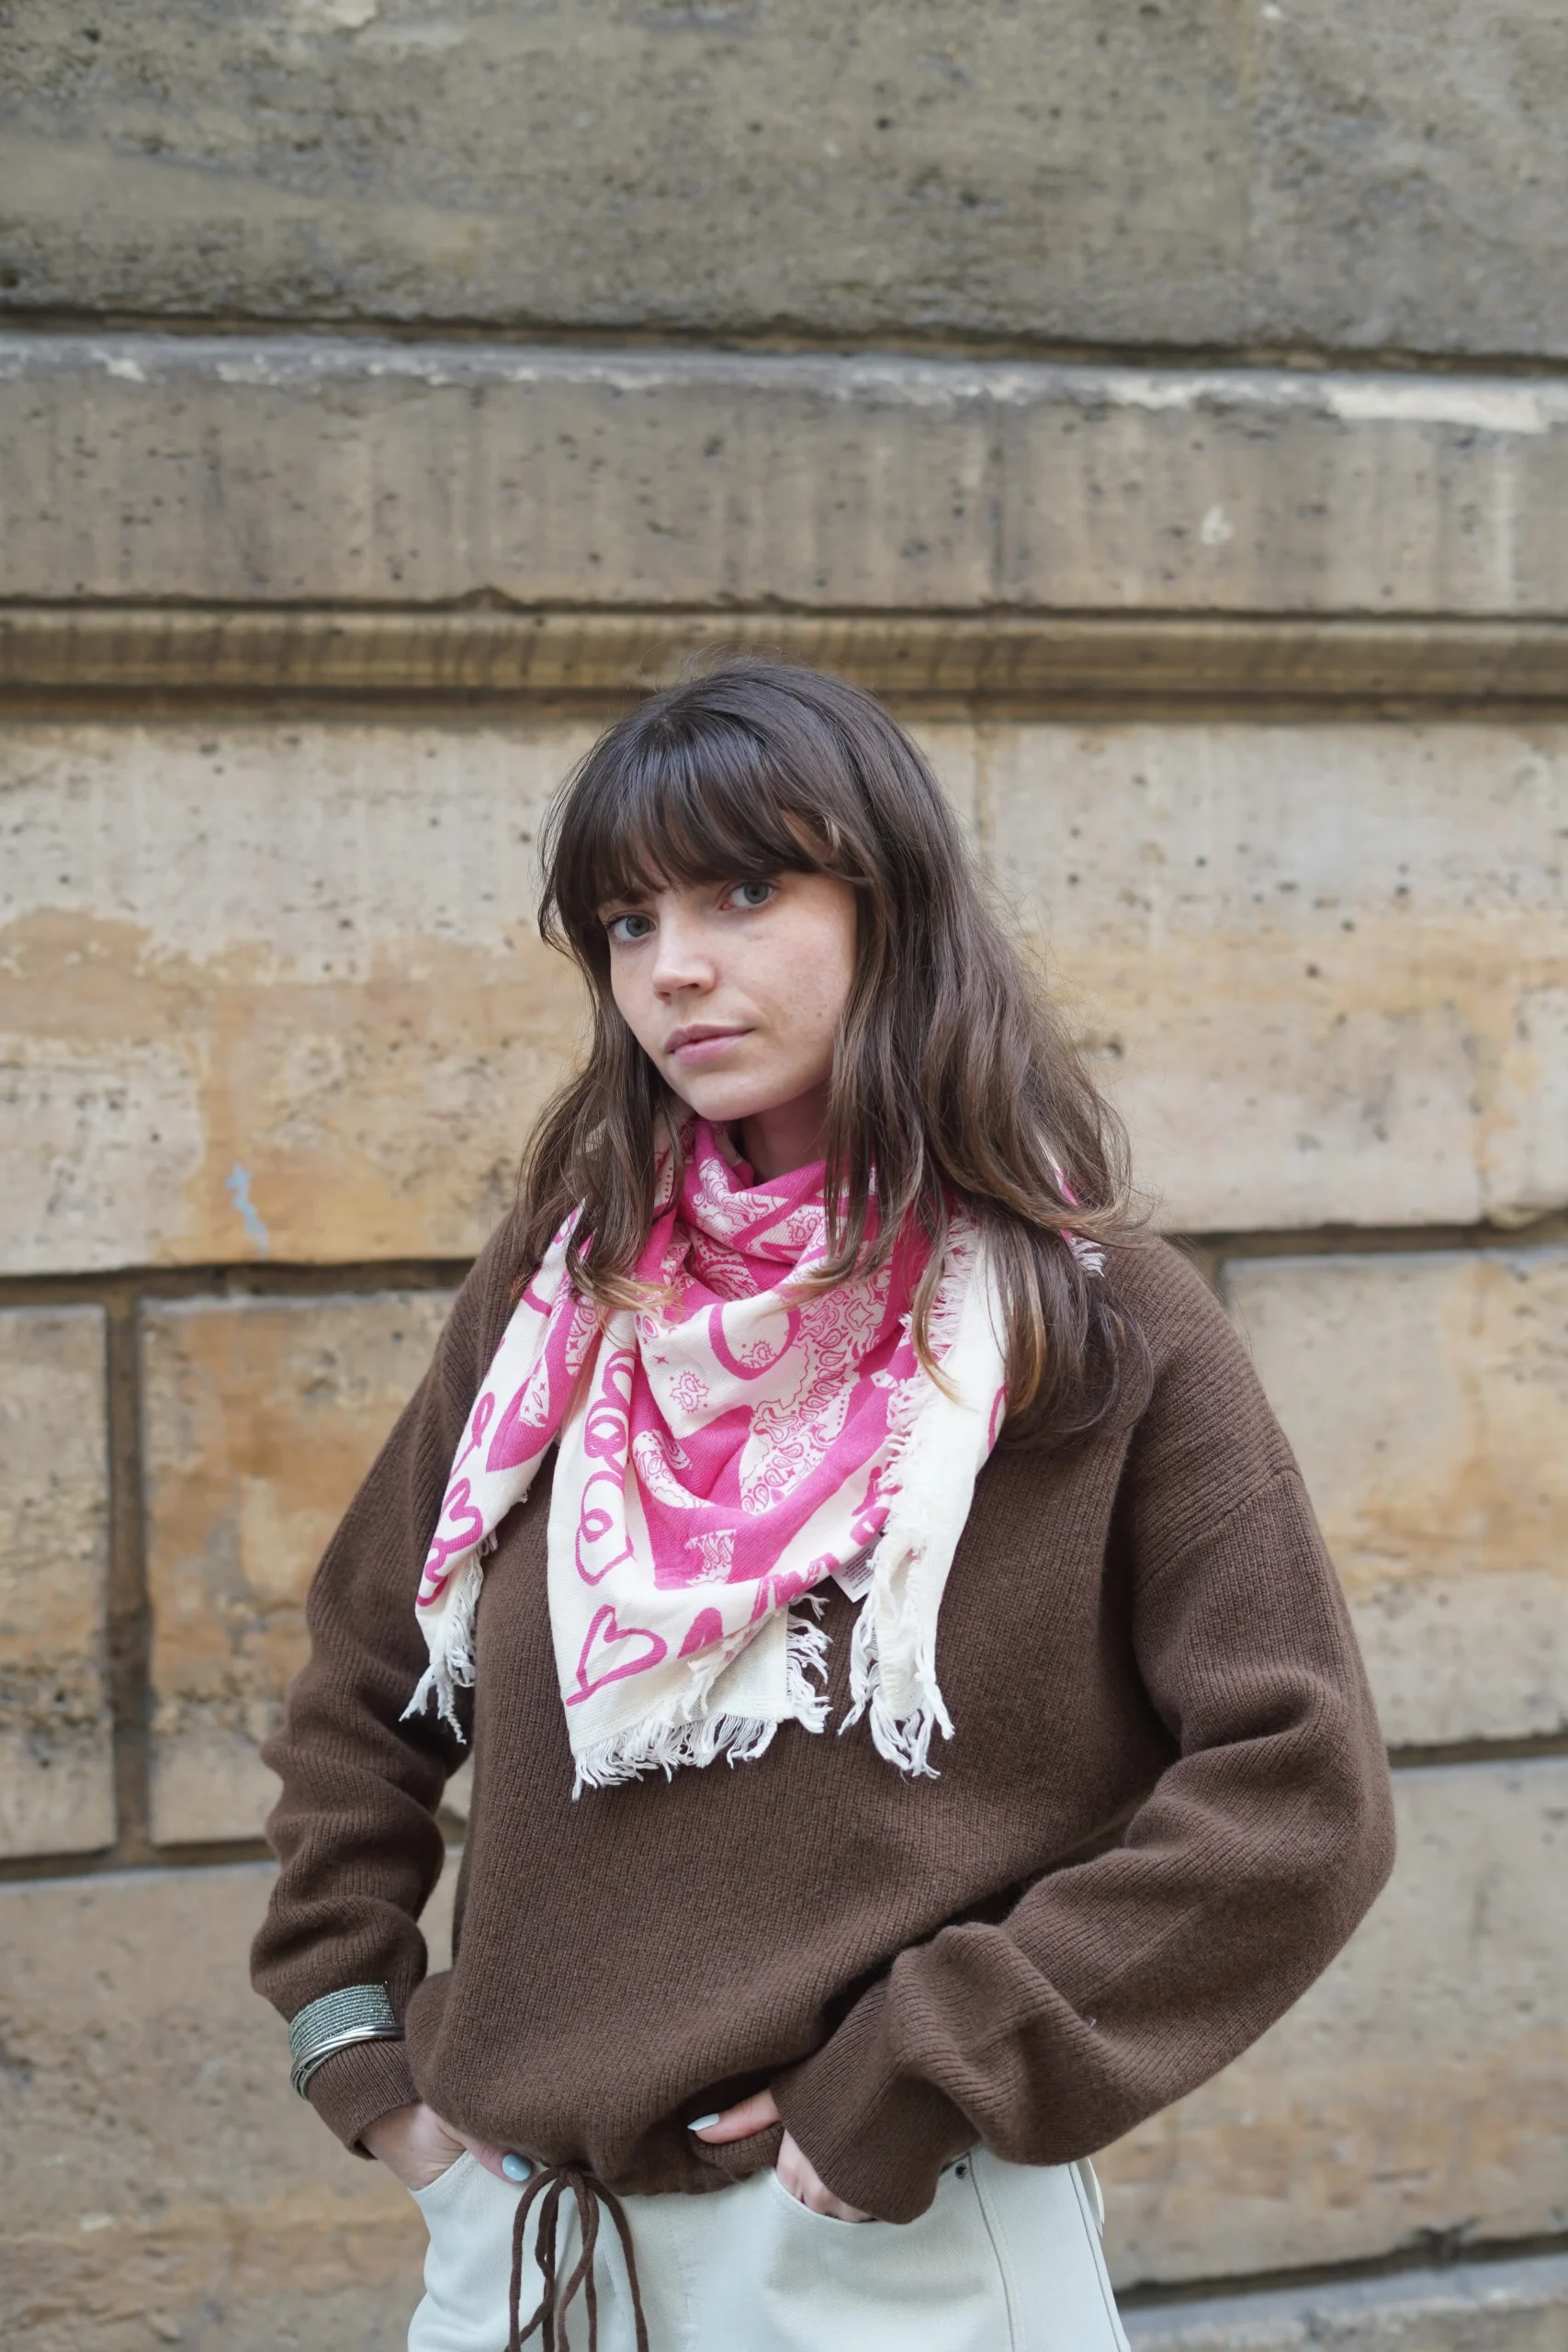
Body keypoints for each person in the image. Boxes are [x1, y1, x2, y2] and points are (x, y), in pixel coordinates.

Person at [252, 660, 1395, 2352]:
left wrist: (930, 2069)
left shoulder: (1093, 1322)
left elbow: (1298, 1792)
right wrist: (351, 2041)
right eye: (627, 922)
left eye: (741, 891)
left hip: (881, 2252)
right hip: (525, 2255)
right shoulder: (565, 1302)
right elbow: (368, 1680)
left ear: (889, 904)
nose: (674, 966)